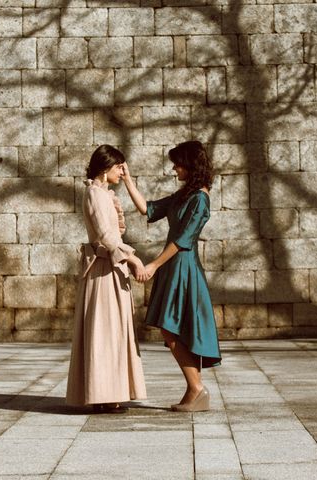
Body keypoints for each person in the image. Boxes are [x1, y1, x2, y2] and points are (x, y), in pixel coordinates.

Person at [123, 140, 221, 412]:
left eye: (178, 163)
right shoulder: (184, 195)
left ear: (191, 164)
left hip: (183, 266)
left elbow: (183, 239)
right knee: (170, 327)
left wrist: (153, 265)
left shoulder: (200, 199)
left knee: (172, 326)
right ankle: (195, 389)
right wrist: (129, 181)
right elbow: (148, 209)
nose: (174, 168)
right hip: (173, 266)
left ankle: (196, 388)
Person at [66, 145, 147, 413]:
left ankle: (110, 392)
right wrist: (133, 259)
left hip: (111, 268)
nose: (122, 172)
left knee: (111, 332)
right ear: (105, 167)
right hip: (103, 271)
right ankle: (102, 393)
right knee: (104, 333)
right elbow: (106, 236)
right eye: (119, 167)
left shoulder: (102, 194)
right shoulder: (95, 194)